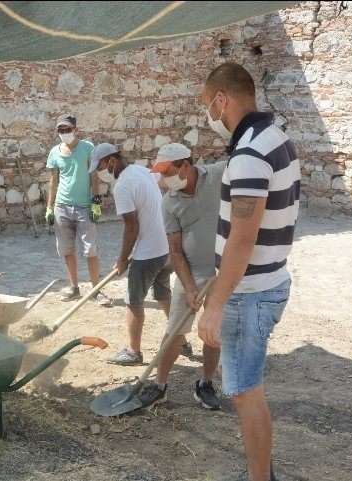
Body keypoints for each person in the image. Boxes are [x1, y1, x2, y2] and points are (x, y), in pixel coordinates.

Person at [198, 62, 300, 481]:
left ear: (221, 100)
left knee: (244, 390)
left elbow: (242, 239)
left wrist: (216, 304)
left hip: (250, 292)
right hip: (268, 280)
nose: (209, 116)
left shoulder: (249, 155)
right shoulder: (276, 137)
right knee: (246, 386)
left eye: (208, 106)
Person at [134, 143, 226, 411]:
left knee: (213, 333)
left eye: (168, 172)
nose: (163, 180)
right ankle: (159, 386)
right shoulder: (169, 203)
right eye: (160, 173)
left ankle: (205, 384)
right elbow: (174, 250)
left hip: (225, 270)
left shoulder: (219, 173)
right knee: (174, 330)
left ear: (186, 165)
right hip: (193, 271)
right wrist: (188, 287)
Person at [89, 143, 173, 365]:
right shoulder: (141, 170)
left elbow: (131, 227)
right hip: (164, 246)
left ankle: (133, 352)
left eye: (101, 166)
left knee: (134, 300)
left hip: (148, 252)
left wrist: (123, 259)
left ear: (113, 161)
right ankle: (180, 339)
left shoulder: (123, 186)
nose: (100, 172)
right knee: (163, 293)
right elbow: (162, 185)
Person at [45, 114, 112, 306]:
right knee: (67, 249)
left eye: (67, 129)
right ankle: (74, 288)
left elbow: (94, 176)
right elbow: (53, 181)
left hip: (84, 206)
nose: (64, 133)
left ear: (76, 130)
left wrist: (96, 202)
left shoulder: (87, 148)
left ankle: (96, 290)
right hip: (62, 206)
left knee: (90, 249)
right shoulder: (55, 152)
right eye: (61, 130)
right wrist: (49, 207)